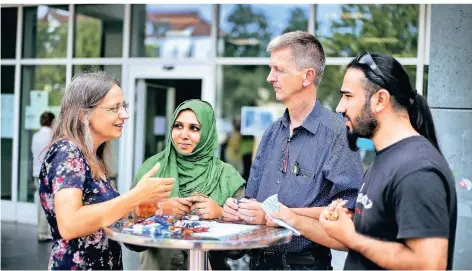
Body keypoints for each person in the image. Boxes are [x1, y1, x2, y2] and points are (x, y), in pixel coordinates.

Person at [222, 31, 364, 270]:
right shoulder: (270, 133)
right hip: (257, 264)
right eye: (271, 69)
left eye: (279, 70)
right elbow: (253, 198)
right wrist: (239, 209)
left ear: (307, 76)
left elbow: (349, 210)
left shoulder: (337, 133)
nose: (269, 77)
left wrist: (274, 214)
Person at [318, 52, 457, 270]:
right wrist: (348, 222)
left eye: (348, 96)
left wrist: (350, 236)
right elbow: (384, 234)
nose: (339, 107)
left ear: (380, 100)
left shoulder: (416, 170)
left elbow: (430, 264)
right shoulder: (386, 158)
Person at [39, 71, 174, 270]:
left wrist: (151, 207)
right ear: (84, 114)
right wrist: (135, 196)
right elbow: (70, 224)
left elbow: (110, 221)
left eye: (124, 106)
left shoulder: (91, 157)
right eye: (114, 108)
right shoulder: (67, 152)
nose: (125, 115)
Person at [133, 99, 246, 270]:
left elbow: (240, 248)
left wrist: (220, 214)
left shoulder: (228, 177)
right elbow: (129, 231)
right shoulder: (153, 169)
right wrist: (158, 210)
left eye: (194, 128)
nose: (183, 135)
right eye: (178, 126)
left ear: (207, 132)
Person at [32, 111, 55, 242]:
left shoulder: (36, 136)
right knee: (47, 203)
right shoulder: (52, 136)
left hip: (36, 172)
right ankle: (43, 232)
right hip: (46, 174)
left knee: (40, 201)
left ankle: (41, 230)